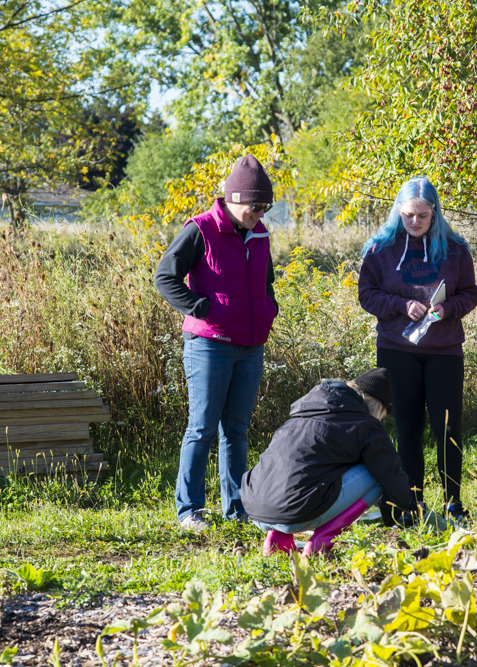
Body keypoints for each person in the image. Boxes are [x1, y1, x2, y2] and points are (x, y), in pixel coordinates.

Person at [154, 155, 279, 531]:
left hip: (250, 346)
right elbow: (164, 277)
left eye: (265, 206)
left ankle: (237, 508)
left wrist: (270, 308)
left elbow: (267, 283)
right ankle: (189, 510)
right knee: (202, 427)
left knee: (237, 430)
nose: (258, 212)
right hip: (209, 344)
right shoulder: (200, 229)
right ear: (231, 198)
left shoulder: (260, 236)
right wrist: (199, 307)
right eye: (253, 205)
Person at [358, 177, 477, 520]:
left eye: (423, 216)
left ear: (435, 214)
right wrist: (399, 304)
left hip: (444, 350)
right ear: (399, 211)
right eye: (409, 215)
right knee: (408, 427)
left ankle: (453, 503)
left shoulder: (456, 249)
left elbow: (470, 293)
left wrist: (448, 309)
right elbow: (366, 294)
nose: (415, 222)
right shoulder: (380, 249)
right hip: (398, 349)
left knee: (449, 428)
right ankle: (411, 503)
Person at [241, 368, 418, 556]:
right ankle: (322, 540)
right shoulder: (365, 424)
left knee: (293, 471)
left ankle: (276, 538)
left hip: (255, 509)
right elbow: (390, 474)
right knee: (376, 474)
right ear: (378, 407)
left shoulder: (302, 413)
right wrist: (397, 511)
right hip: (298, 513)